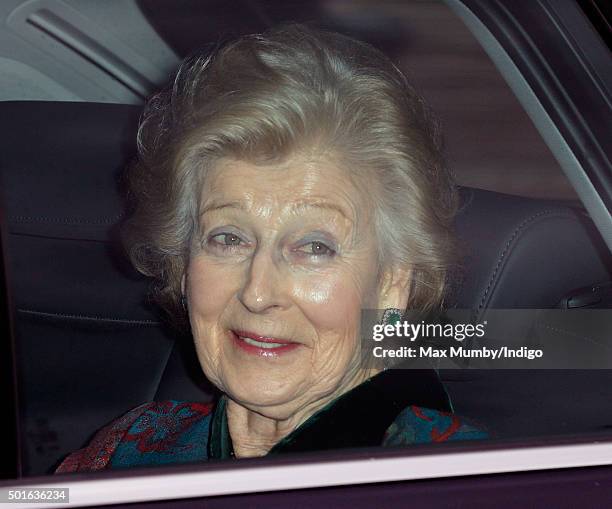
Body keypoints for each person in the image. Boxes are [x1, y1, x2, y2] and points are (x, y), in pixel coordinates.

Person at [56, 23, 486, 473]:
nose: (257, 293)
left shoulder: (457, 477)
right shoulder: (132, 447)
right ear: (182, 266)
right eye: (228, 238)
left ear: (392, 283)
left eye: (314, 247)